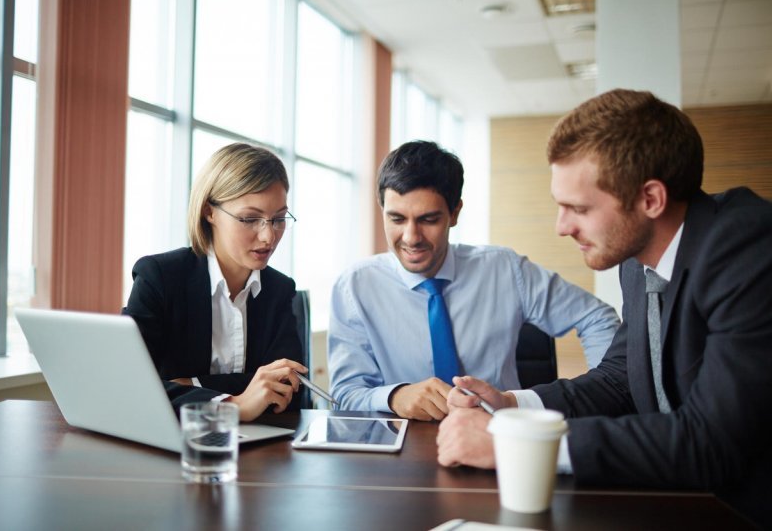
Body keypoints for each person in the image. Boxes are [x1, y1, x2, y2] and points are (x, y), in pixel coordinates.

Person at [436, 89, 772, 527]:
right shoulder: (637, 264)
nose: (562, 227)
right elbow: (621, 381)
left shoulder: (748, 248)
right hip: (680, 498)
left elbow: (711, 442)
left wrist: (517, 445)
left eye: (578, 208)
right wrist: (512, 404)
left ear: (650, 199)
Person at [328, 140, 620, 420]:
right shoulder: (354, 287)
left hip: (498, 435)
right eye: (397, 219)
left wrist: (602, 394)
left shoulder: (505, 269)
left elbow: (597, 318)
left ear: (454, 213)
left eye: (428, 220)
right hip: (404, 449)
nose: (411, 237)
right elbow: (345, 393)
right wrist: (395, 397)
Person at [124, 142, 307, 422]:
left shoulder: (279, 289)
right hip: (176, 446)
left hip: (260, 450)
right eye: (250, 218)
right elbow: (130, 384)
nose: (268, 236)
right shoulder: (160, 277)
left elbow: (287, 389)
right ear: (210, 212)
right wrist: (233, 403)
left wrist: (189, 384)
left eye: (279, 219)